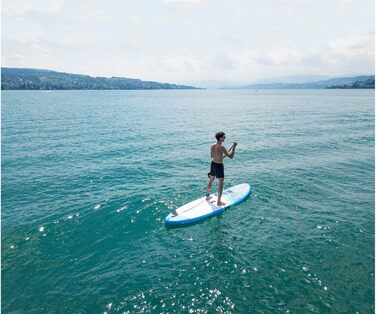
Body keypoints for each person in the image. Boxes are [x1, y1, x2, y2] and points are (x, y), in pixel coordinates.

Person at [206, 131, 237, 206]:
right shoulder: (222, 147)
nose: (225, 138)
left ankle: (207, 196)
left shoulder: (212, 146)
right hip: (219, 166)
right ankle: (219, 201)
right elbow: (231, 156)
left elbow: (213, 156)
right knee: (221, 184)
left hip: (213, 164)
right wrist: (234, 147)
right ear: (220, 138)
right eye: (224, 137)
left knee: (211, 179)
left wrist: (222, 156)